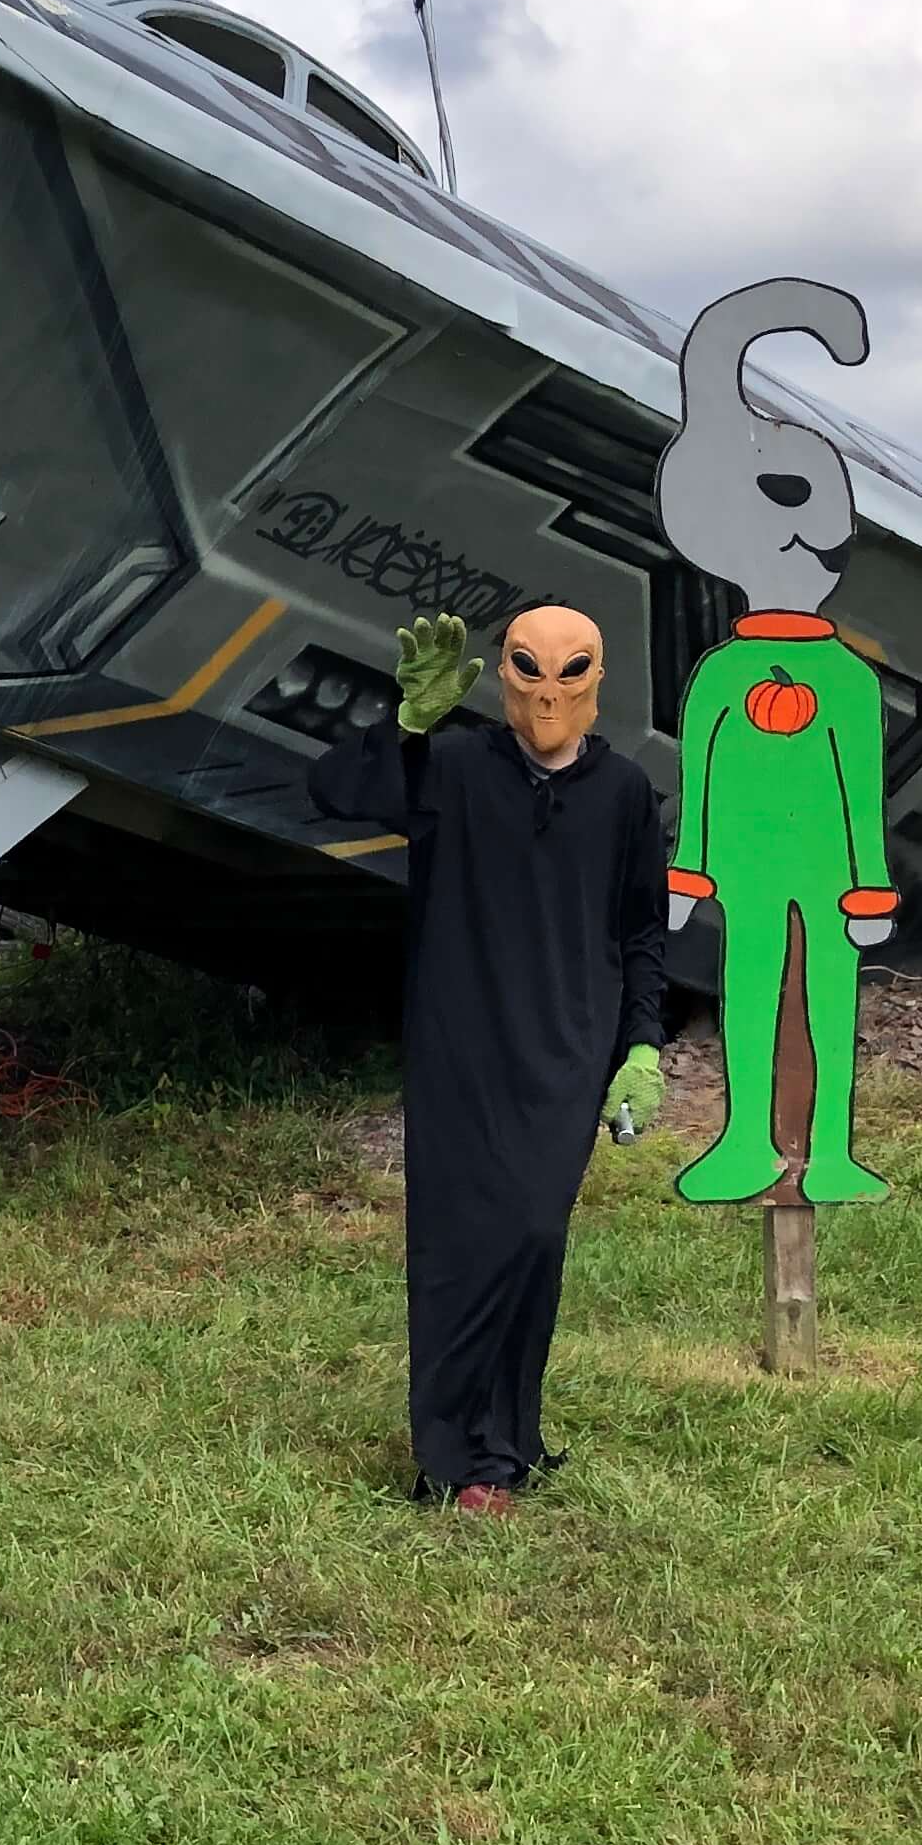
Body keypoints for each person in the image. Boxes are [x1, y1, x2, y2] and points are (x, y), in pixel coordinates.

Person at [308, 604, 669, 1514]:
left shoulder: (625, 791)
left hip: (570, 1048)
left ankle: (508, 1435)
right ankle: (464, 1458)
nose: (548, 693)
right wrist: (406, 723)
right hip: (459, 1043)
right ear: (503, 677)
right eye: (529, 670)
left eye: (570, 672)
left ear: (596, 682)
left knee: (535, 1238)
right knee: (460, 1244)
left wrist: (642, 1043)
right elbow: (334, 790)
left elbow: (639, 930)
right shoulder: (455, 766)